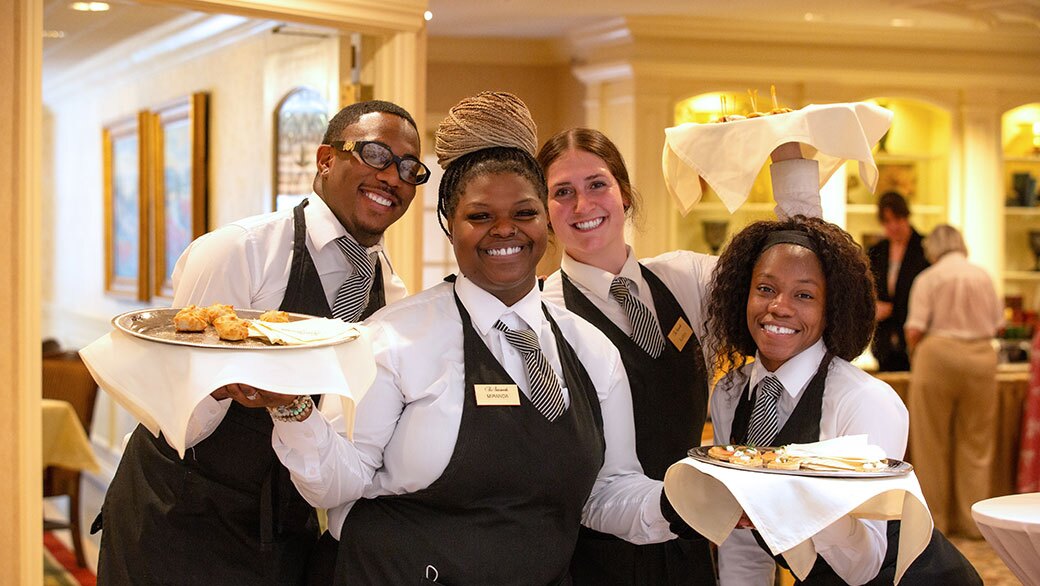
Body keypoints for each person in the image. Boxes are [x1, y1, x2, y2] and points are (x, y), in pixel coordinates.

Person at [237, 91, 688, 585]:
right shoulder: (393, 337)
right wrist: (293, 409)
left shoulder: (592, 350)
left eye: (524, 213)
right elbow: (336, 484)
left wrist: (692, 501)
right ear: (449, 227)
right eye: (480, 216)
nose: (505, 230)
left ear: (546, 221)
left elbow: (607, 493)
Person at [94, 100, 426, 584]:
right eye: (375, 154)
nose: (393, 177)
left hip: (285, 529)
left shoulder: (391, 293)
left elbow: (349, 439)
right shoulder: (239, 251)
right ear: (326, 159)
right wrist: (216, 386)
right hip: (177, 520)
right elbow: (173, 417)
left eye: (410, 168)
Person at [538, 128, 820, 584]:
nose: (583, 205)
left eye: (596, 184)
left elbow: (797, 267)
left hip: (690, 548)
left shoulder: (686, 279)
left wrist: (786, 152)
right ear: (546, 210)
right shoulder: (545, 315)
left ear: (623, 193)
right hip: (594, 557)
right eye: (562, 192)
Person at [707, 216, 981, 585]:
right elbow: (744, 544)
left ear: (831, 308)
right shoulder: (730, 392)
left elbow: (863, 564)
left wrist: (794, 498)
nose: (779, 306)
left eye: (804, 295)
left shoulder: (866, 401)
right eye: (766, 288)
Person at [905, 224, 1002, 538]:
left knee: (931, 442)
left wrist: (915, 353)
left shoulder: (929, 278)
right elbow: (998, 325)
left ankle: (936, 521)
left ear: (933, 248)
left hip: (938, 354)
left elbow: (915, 329)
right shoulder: (983, 276)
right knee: (977, 442)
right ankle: (973, 521)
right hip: (982, 357)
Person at [868, 191, 929, 371]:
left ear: (906, 216)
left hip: (917, 338)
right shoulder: (877, 251)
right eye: (887, 221)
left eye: (898, 219)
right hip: (884, 343)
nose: (893, 226)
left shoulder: (925, 248)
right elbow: (866, 289)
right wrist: (874, 307)